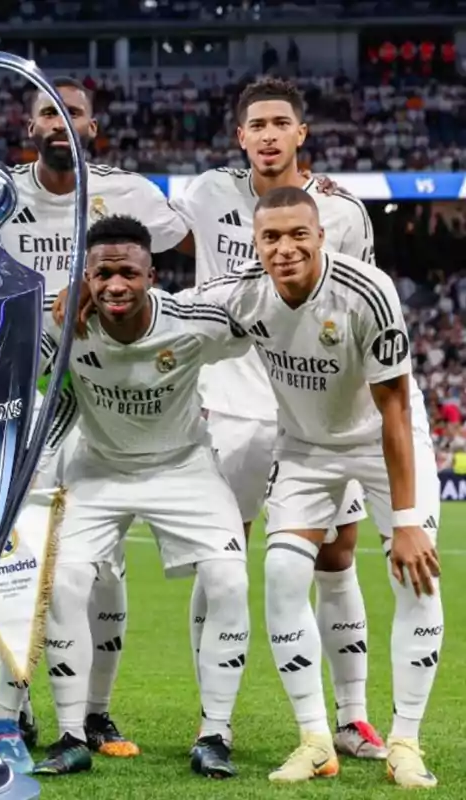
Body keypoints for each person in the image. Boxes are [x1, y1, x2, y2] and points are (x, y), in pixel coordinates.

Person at [180, 187, 441, 788]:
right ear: (255, 242)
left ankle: (406, 740)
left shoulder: (368, 291)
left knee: (416, 572)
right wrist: (94, 293)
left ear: (322, 235)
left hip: (382, 438)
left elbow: (396, 408)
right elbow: (169, 310)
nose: (285, 247)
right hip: (303, 447)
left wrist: (404, 522)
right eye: (271, 237)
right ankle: (315, 739)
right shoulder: (244, 291)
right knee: (281, 575)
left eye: (299, 233)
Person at [169, 77, 385, 758]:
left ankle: (351, 718)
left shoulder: (343, 213)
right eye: (255, 124)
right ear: (240, 137)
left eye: (279, 123)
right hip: (228, 407)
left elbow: (360, 310)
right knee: (220, 562)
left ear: (301, 133)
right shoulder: (205, 194)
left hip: (315, 409)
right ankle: (214, 725)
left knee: (337, 555)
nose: (267, 135)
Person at [0, 76, 190, 772]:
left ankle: (95, 713)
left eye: (72, 112)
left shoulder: (130, 194)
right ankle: (8, 713)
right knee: (22, 562)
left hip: (101, 400)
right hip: (21, 400)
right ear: (30, 123)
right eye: (48, 112)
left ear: (93, 126)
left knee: (100, 569)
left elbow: (181, 242)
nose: (60, 123)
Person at [30, 215, 250, 779]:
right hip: (98, 468)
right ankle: (72, 734)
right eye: (102, 273)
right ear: (85, 277)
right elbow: (42, 389)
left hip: (184, 466)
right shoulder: (63, 326)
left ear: (152, 275)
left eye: (128, 272)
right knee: (67, 583)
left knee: (229, 580)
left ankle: (215, 734)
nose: (115, 285)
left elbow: (257, 319)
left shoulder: (193, 324)